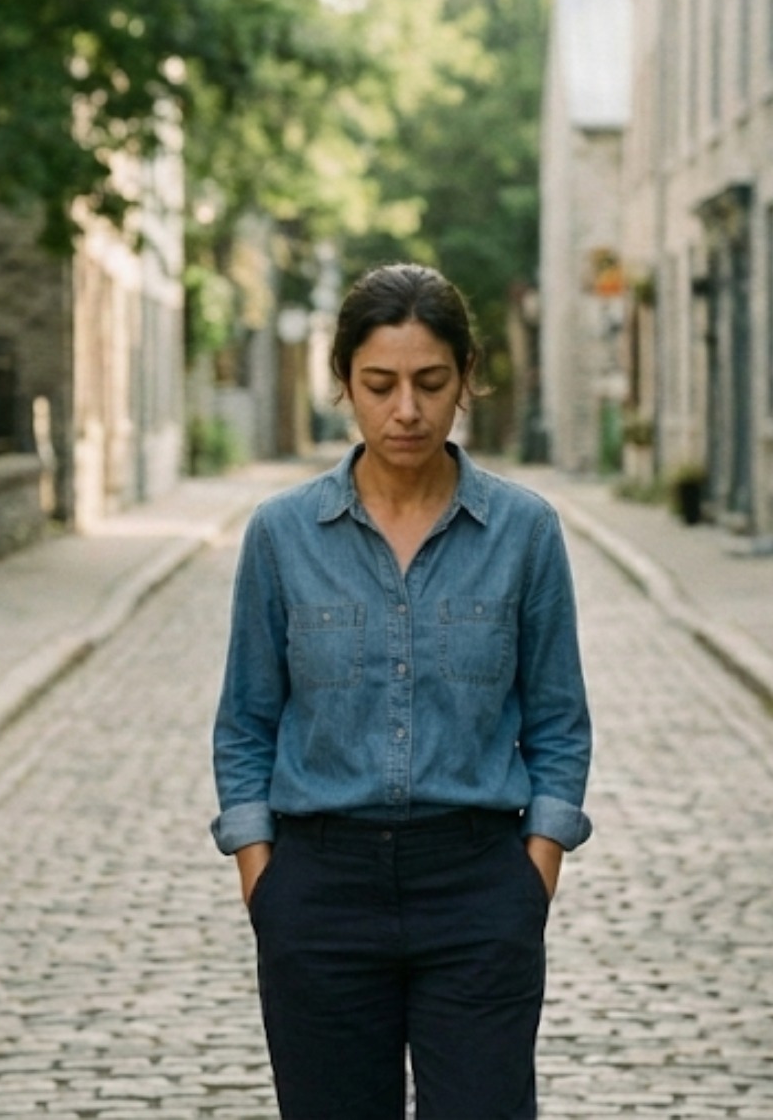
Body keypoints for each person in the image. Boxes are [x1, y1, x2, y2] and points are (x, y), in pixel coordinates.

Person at [210, 263, 595, 1119]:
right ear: (344, 382)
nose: (407, 410)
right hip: (320, 894)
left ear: (466, 379)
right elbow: (245, 722)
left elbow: (559, 722)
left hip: (478, 890)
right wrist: (264, 882)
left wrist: (531, 880)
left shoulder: (524, 531)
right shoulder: (281, 534)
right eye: (380, 385)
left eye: (431, 382)